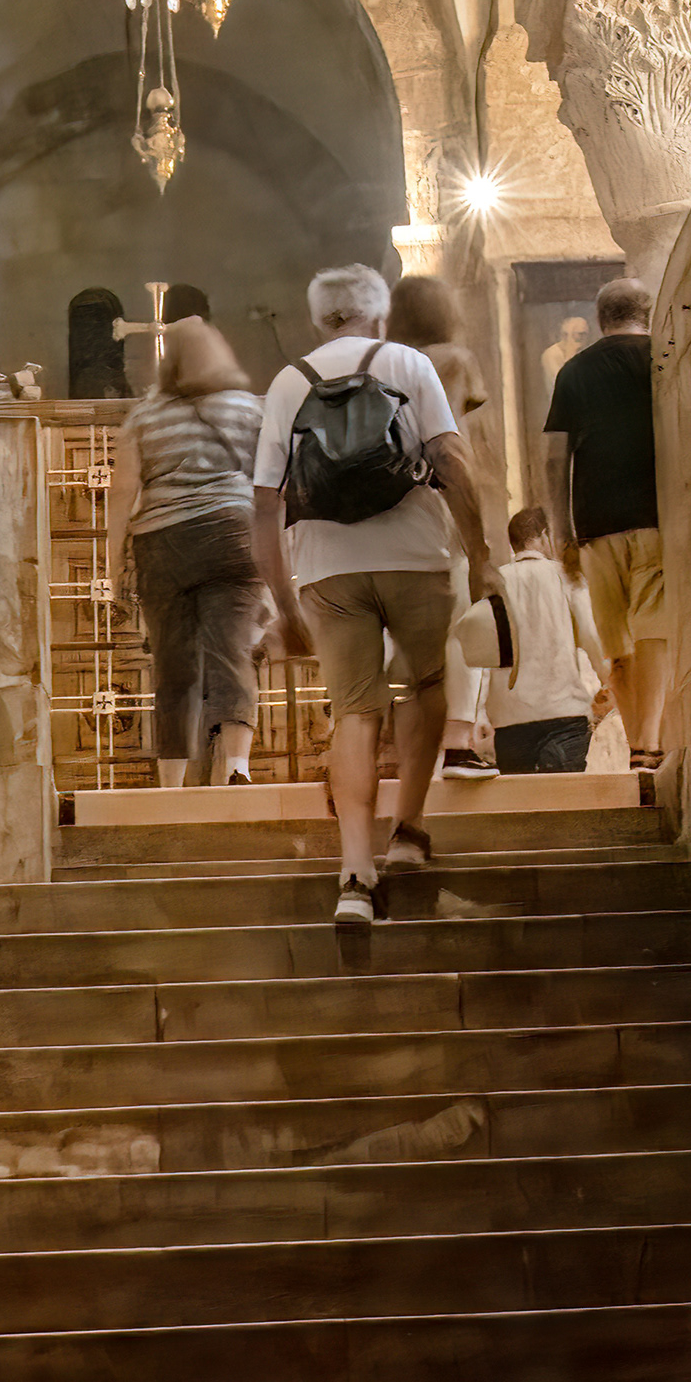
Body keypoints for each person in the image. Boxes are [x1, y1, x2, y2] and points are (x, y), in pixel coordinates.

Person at [253, 261, 491, 937]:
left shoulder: (289, 382)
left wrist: (282, 601)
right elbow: (450, 460)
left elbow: (265, 500)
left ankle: (355, 875)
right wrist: (482, 556)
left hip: (327, 568)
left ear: (316, 318)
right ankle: (408, 833)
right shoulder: (409, 364)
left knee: (355, 711)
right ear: (377, 314)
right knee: (425, 684)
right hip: (415, 557)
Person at [111, 290, 267, 789]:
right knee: (233, 653)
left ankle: (171, 783)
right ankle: (237, 767)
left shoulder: (144, 415)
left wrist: (114, 563)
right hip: (232, 537)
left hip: (164, 544)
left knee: (174, 666)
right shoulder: (247, 409)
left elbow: (122, 494)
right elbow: (269, 484)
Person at [542, 273, 668, 791]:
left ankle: (639, 740)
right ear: (647, 312)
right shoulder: (665, 358)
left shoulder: (573, 371)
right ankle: (650, 743)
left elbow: (554, 459)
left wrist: (562, 529)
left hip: (595, 525)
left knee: (616, 640)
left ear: (599, 320)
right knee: (655, 627)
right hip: (658, 517)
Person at [390, 266, 505, 773]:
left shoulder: (386, 363)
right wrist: (483, 535)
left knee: (411, 634)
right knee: (461, 624)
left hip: (392, 511)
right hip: (441, 506)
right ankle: (457, 742)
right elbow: (465, 443)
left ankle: (410, 746)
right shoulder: (454, 360)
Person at [458, 505, 607, 774]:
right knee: (563, 800)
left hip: (509, 718)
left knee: (521, 805)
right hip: (564, 712)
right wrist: (608, 680)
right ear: (544, 535)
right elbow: (590, 635)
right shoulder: (566, 577)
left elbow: (482, 651)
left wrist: (478, 712)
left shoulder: (495, 584)